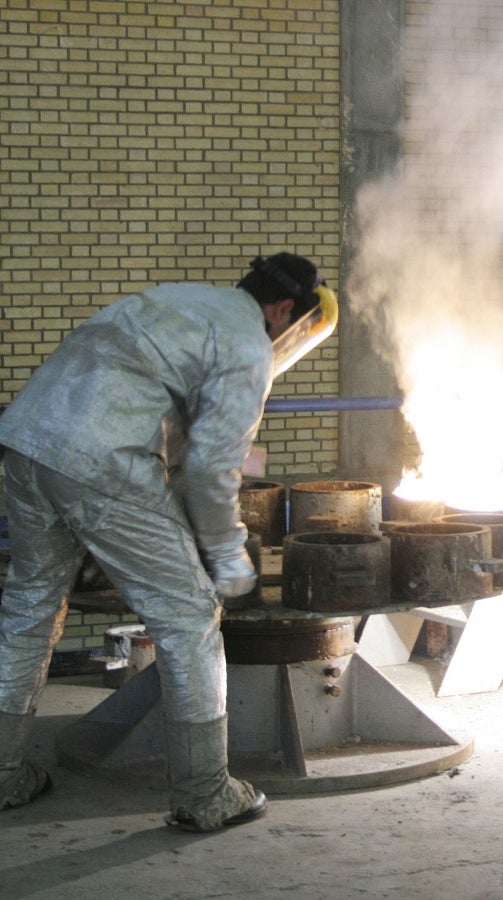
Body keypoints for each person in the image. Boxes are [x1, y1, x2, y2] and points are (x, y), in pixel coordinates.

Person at [0, 254, 332, 831]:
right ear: (282, 311)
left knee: (30, 608)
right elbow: (210, 468)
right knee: (190, 616)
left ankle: (3, 776)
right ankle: (206, 794)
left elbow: (173, 435)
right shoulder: (248, 343)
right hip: (102, 460)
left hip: (28, 442)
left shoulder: (180, 301)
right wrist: (228, 556)